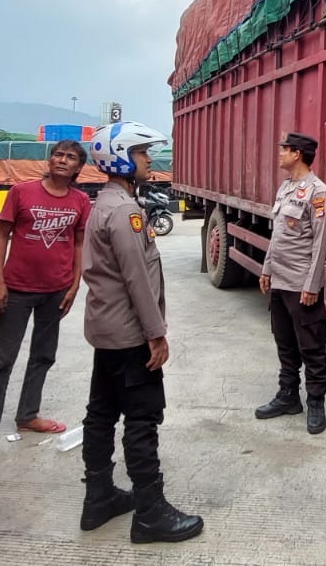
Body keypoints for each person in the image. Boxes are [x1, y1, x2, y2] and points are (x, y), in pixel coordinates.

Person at [78, 121, 204, 544]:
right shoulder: (125, 212)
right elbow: (137, 280)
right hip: (131, 335)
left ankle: (98, 498)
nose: (149, 159)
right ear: (121, 159)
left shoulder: (104, 203)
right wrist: (156, 333)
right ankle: (150, 512)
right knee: (142, 418)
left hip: (106, 331)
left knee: (101, 413)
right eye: (141, 152)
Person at [0, 140, 91, 462]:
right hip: (16, 290)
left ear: (78, 167)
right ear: (49, 160)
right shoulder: (21, 192)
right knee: (2, 361)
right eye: (58, 155)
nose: (62, 160)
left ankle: (28, 415)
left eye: (70, 157)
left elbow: (79, 243)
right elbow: (1, 237)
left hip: (56, 291)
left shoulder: (80, 201)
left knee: (43, 356)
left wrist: (75, 284)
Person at [254, 131, 326, 434]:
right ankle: (288, 397)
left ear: (297, 154)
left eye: (284, 149)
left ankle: (316, 403)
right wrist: (267, 269)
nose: (280, 154)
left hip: (301, 285)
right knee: (285, 344)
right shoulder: (285, 188)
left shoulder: (317, 191)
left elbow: (320, 243)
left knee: (311, 347)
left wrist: (312, 285)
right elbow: (277, 235)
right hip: (280, 282)